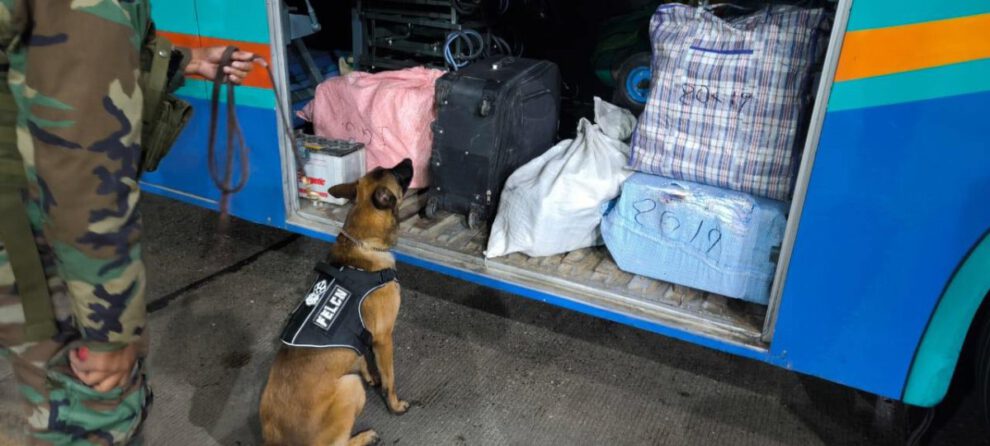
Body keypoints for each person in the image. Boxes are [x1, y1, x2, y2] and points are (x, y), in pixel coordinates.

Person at [0, 1, 258, 444]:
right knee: (90, 408)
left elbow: (62, 47)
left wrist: (184, 61)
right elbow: (83, 171)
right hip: (34, 227)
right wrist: (110, 333)